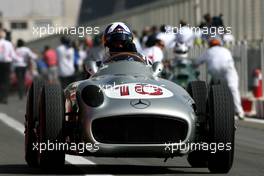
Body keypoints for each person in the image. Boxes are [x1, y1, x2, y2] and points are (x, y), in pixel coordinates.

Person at [195, 36, 244, 120]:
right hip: (228, 70)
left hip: (215, 73)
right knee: (233, 89)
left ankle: (209, 110)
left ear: (210, 44)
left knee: (212, 89)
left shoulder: (208, 51)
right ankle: (239, 111)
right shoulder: (225, 50)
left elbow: (197, 62)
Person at [0, 28, 17, 104]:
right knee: (6, 81)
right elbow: (13, 55)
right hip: (6, 63)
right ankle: (4, 97)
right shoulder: (8, 43)